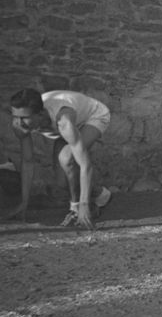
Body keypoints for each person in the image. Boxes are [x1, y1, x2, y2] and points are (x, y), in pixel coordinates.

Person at [6, 89, 112, 228]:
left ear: (40, 114)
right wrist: (24, 203)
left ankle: (75, 209)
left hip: (93, 117)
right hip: (65, 129)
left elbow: (85, 164)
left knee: (67, 158)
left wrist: (83, 205)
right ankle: (101, 195)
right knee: (63, 182)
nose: (19, 123)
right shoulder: (20, 124)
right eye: (15, 116)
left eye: (24, 118)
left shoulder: (64, 121)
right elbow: (27, 161)